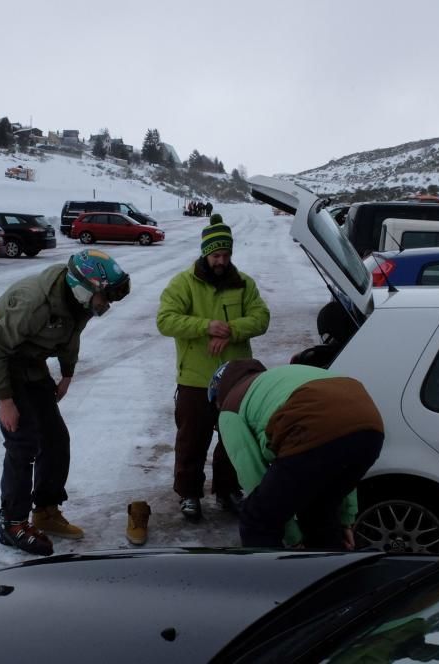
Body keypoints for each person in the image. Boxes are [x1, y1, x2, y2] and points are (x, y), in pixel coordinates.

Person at [0, 248, 131, 556]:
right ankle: (12, 523)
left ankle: (45, 511)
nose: (107, 305)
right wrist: (5, 400)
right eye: (106, 298)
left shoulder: (78, 304)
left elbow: (70, 337)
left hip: (32, 359)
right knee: (23, 441)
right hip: (3, 357)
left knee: (55, 438)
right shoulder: (35, 304)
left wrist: (67, 374)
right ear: (84, 286)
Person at [156, 213, 270, 521]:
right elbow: (165, 320)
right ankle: (189, 494)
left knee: (235, 439)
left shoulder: (244, 284)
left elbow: (262, 319)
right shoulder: (183, 283)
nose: (221, 260)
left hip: (236, 378)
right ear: (205, 253)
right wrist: (206, 326)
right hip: (195, 377)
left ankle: (227, 490)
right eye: (216, 254)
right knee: (192, 439)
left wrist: (231, 329)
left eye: (226, 254)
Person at [209, 359, 384, 549]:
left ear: (219, 396)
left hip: (311, 427)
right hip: (370, 426)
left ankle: (278, 577)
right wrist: (345, 520)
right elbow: (339, 451)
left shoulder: (230, 407)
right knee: (319, 511)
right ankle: (331, 570)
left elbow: (252, 474)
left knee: (257, 519)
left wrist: (293, 538)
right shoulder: (276, 379)